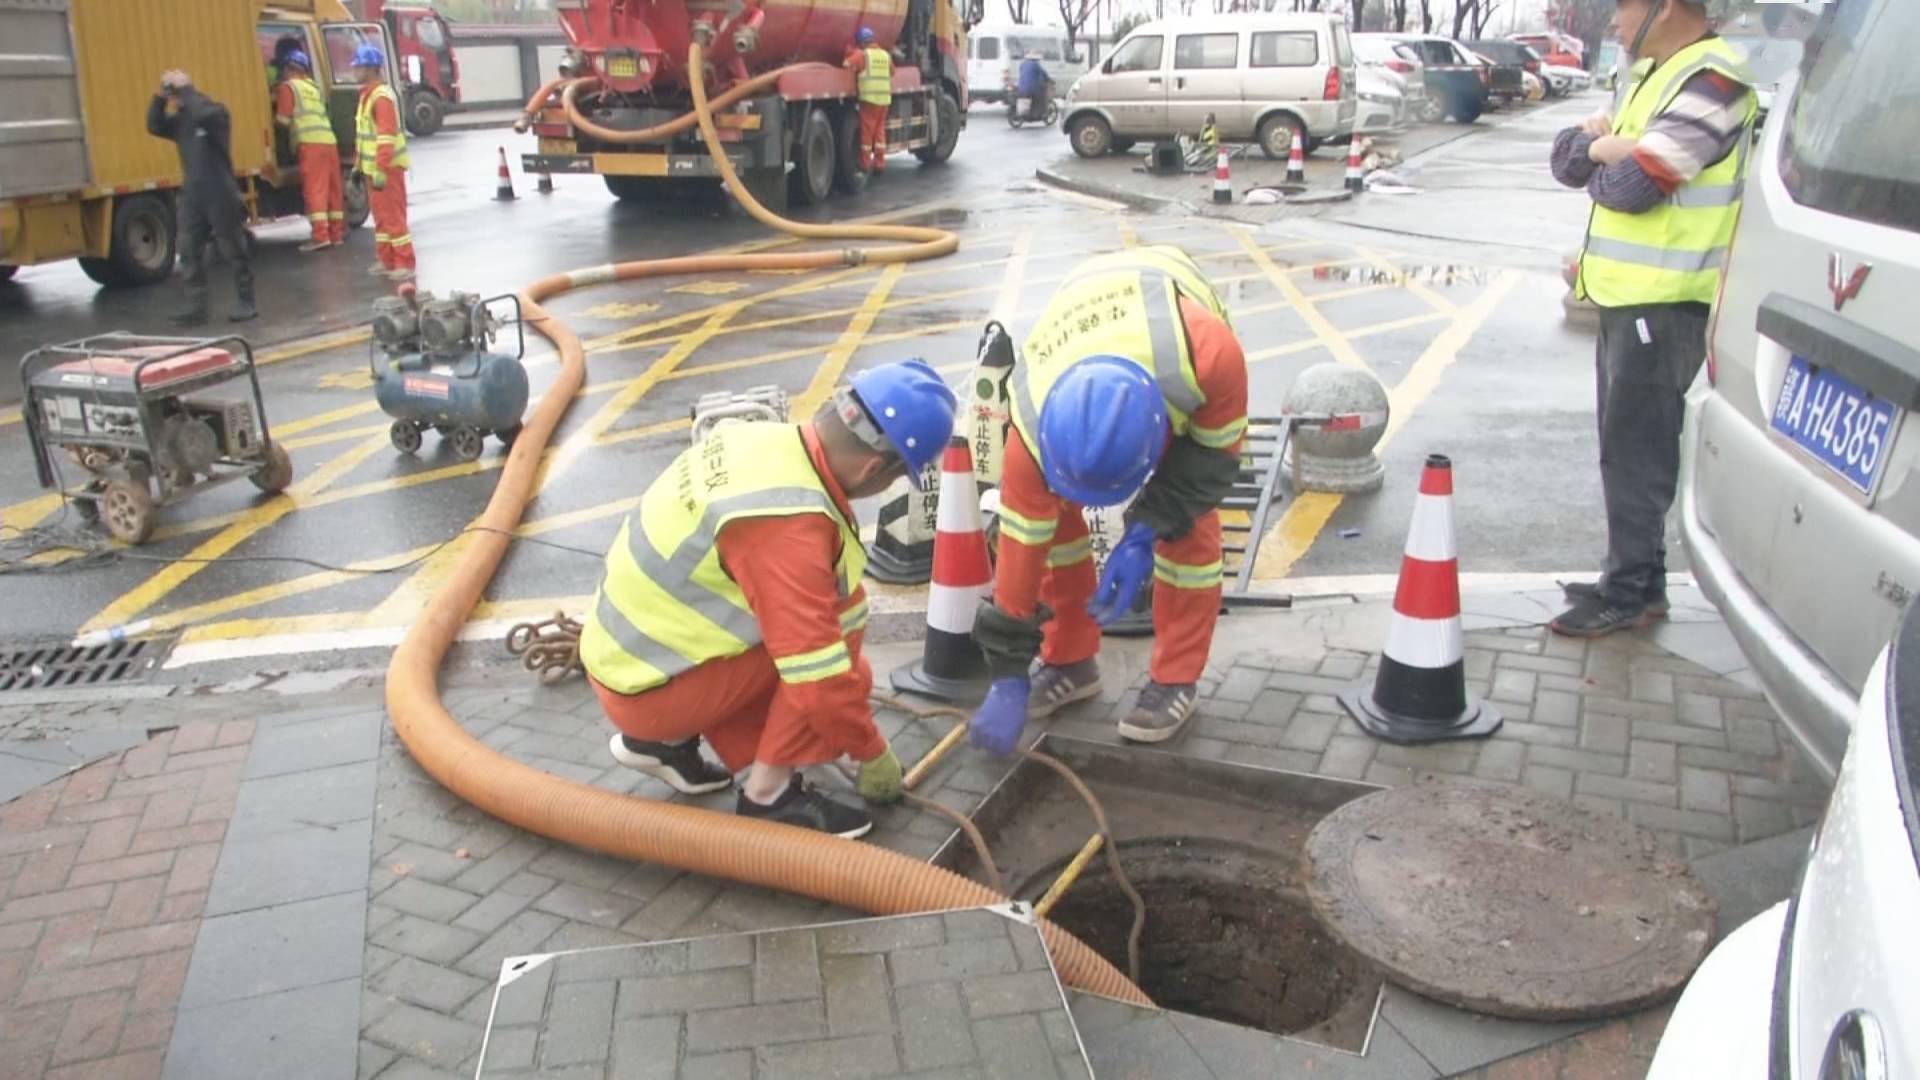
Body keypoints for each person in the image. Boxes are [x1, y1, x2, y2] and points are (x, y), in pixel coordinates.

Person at [579, 360, 958, 839]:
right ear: (872, 468)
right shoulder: (788, 525)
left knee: (810, 632)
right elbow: (818, 679)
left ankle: (664, 744)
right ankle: (768, 798)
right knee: (835, 644)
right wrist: (869, 750)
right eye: (898, 477)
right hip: (648, 690)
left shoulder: (759, 441)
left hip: (629, 663)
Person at [968, 246, 1248, 754]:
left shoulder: (1207, 358)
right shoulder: (1030, 423)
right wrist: (1007, 674)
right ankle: (1069, 661)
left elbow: (1212, 463)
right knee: (1053, 534)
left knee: (1189, 532)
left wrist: (1144, 531)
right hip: (1087, 311)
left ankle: (1175, 679)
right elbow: (1019, 554)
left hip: (1170, 314)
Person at [1548, 0, 1754, 637]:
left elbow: (1634, 189)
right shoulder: (1650, 73)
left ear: (1666, 7)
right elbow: (1566, 160)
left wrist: (1605, 152)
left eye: (1623, 5)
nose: (1611, 19)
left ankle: (1629, 593)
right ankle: (1637, 578)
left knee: (1638, 453)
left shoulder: (1713, 81)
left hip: (1665, 303)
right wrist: (1606, 147)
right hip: (1624, 296)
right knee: (1625, 446)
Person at [147, 70, 255, 325]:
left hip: (220, 192)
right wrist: (160, 98)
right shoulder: (182, 121)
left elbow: (202, 114)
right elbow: (154, 125)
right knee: (188, 250)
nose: (179, 99)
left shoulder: (216, 114)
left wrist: (185, 90)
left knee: (233, 248)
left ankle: (247, 301)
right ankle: (196, 307)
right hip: (193, 194)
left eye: (180, 94)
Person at [353, 44, 415, 281]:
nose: (355, 71)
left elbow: (386, 136)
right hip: (373, 169)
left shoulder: (381, 97)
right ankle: (387, 259)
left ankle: (404, 262)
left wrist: (380, 168)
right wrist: (359, 166)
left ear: (371, 68)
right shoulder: (367, 96)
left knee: (393, 217)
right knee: (380, 217)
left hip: (386, 169)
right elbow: (364, 136)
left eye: (359, 66)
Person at [273, 50, 344, 252]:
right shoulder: (313, 87)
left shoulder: (288, 87)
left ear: (288, 68)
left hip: (310, 144)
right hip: (329, 142)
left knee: (315, 189)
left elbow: (283, 120)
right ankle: (336, 233)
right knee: (333, 189)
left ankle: (320, 236)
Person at [843, 27, 891, 173]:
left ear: (861, 43)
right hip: (884, 101)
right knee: (880, 133)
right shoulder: (885, 55)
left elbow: (846, 64)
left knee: (867, 134)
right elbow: (893, 71)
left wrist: (851, 52)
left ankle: (865, 164)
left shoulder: (862, 55)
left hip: (869, 101)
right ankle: (879, 164)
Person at [1016, 50, 1051, 122]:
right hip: (1031, 89)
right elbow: (1043, 74)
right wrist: (1049, 80)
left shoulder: (1022, 64)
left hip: (1021, 88)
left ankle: (1030, 113)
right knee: (1040, 97)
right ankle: (1037, 114)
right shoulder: (1036, 65)